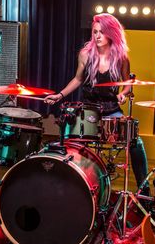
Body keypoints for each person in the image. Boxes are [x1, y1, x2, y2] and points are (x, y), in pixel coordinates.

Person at [45, 13, 149, 194]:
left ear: (112, 33)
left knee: (135, 142)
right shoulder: (85, 54)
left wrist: (123, 94)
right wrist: (59, 95)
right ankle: (67, 186)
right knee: (69, 141)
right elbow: (78, 79)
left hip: (111, 109)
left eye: (102, 32)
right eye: (95, 32)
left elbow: (127, 85)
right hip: (89, 111)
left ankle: (144, 191)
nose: (98, 36)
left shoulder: (121, 57)